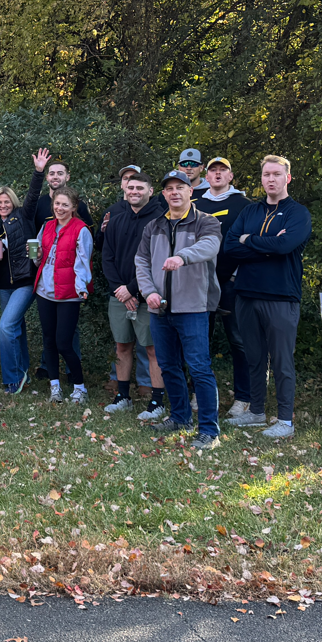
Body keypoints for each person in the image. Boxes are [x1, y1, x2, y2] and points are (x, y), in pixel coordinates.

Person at [220, 156, 312, 439]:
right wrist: (266, 245)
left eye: (276, 174)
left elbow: (286, 245)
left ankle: (285, 420)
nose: (270, 179)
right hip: (246, 294)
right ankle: (256, 411)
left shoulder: (298, 213)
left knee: (283, 360)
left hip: (281, 296)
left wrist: (251, 240)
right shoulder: (250, 211)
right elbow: (230, 246)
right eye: (265, 174)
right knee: (254, 357)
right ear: (260, 179)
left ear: (288, 178)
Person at [136, 171, 223, 449]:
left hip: (194, 308)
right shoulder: (154, 226)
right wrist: (148, 292)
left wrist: (182, 257)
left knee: (199, 369)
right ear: (163, 194)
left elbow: (210, 247)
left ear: (191, 192)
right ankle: (180, 417)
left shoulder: (206, 222)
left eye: (180, 188)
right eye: (169, 189)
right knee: (169, 366)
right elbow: (141, 261)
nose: (174, 192)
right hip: (159, 309)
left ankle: (209, 430)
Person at [101, 168, 166, 415]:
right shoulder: (116, 219)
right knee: (122, 347)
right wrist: (120, 290)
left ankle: (157, 401)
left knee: (152, 349)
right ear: (124, 190)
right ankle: (123, 396)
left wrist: (133, 290)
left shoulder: (161, 220)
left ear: (150, 191)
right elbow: (107, 258)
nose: (134, 192)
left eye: (140, 188)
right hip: (119, 295)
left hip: (147, 295)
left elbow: (155, 261)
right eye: (131, 188)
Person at [194, 157, 251, 417]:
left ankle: (244, 397)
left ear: (230, 177)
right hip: (198, 282)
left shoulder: (244, 205)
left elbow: (249, 243)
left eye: (222, 171)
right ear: (206, 177)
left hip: (231, 282)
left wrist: (237, 275)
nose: (217, 175)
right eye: (213, 171)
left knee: (239, 340)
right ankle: (199, 393)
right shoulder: (194, 203)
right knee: (198, 339)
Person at [34, 187, 93, 403]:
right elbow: (39, 258)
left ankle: (79, 388)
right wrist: (37, 256)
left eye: (65, 205)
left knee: (64, 343)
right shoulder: (47, 226)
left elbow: (83, 262)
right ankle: (55, 387)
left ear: (74, 207)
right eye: (57, 204)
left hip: (68, 294)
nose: (60, 208)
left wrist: (81, 288)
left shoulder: (81, 229)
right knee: (49, 341)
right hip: (45, 291)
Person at [0, 184, 36, 395]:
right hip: (5, 284)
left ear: (13, 202)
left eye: (6, 201)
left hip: (24, 282)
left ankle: (13, 379)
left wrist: (38, 172)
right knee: (16, 328)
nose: (3, 205)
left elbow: (33, 194)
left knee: (6, 326)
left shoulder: (23, 216)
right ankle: (23, 372)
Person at [26, 150, 94, 235]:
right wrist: (39, 170)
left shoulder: (78, 206)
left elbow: (90, 235)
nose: (55, 177)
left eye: (60, 173)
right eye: (52, 174)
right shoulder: (38, 204)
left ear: (67, 177)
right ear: (47, 177)